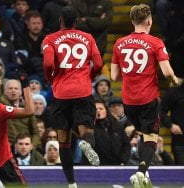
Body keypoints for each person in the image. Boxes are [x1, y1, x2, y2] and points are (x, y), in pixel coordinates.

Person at [110, 4, 179, 188]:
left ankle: (144, 173)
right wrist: (174, 79)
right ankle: (140, 173)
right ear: (149, 21)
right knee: (151, 138)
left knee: (143, 135)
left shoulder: (119, 43)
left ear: (133, 21)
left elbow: (114, 76)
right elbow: (166, 71)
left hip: (128, 101)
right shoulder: (156, 42)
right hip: (147, 99)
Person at [42, 6, 103, 188]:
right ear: (76, 22)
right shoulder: (88, 37)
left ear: (60, 20)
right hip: (83, 91)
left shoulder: (50, 39)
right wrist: (88, 77)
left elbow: (47, 63)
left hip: (61, 93)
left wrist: (51, 79)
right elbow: (99, 63)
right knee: (87, 133)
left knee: (64, 141)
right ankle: (86, 143)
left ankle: (71, 183)